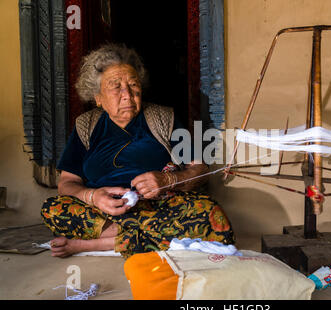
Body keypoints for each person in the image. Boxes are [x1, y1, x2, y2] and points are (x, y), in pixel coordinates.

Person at [41, 44, 235, 258]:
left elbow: (200, 169)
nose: (127, 94)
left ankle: (90, 244)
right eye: (116, 86)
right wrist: (93, 196)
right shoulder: (85, 125)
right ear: (98, 97)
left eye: (133, 85)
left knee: (208, 213)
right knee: (53, 208)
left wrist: (167, 181)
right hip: (103, 211)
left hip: (158, 207)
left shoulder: (164, 118)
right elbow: (67, 183)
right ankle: (143, 239)